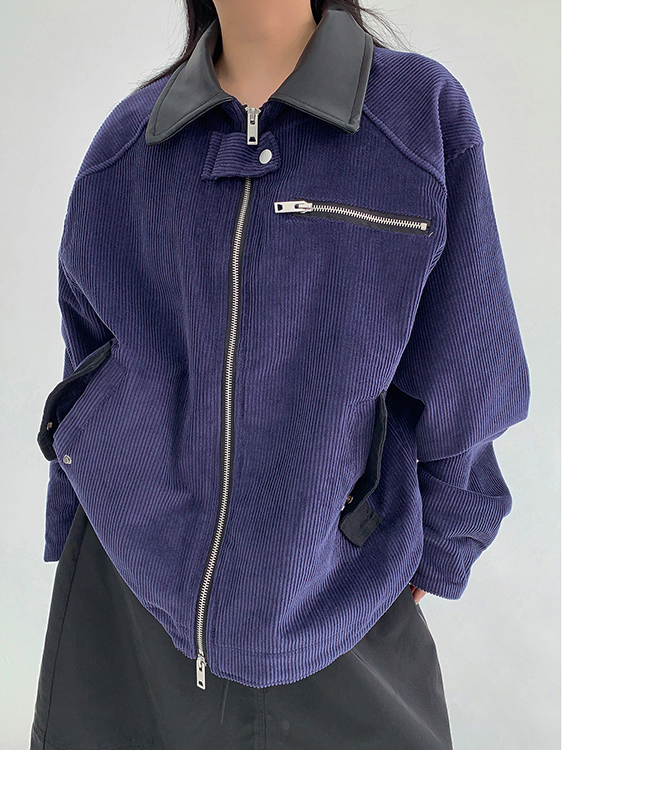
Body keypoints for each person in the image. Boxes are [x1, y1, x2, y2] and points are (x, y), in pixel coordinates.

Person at [30, 0, 530, 750]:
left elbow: (471, 353)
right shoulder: (132, 139)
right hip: (127, 597)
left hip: (342, 586)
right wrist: (70, 521)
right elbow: (87, 357)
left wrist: (445, 542)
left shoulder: (416, 115)